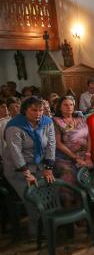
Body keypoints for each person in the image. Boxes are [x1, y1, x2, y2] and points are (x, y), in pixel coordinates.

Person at [3, 97, 56, 237]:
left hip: (38, 165)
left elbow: (51, 144)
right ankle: (36, 231)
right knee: (32, 196)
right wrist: (27, 173)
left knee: (47, 191)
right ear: (24, 110)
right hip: (17, 168)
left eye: (40, 110)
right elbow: (15, 153)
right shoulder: (15, 126)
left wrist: (48, 167)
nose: (38, 113)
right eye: (33, 110)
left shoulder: (47, 122)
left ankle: (49, 224)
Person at [53, 96, 91, 188]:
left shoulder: (80, 119)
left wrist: (88, 155)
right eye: (65, 105)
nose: (69, 107)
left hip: (83, 157)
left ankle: (83, 201)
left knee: (84, 184)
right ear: (59, 107)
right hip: (65, 159)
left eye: (71, 105)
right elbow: (58, 144)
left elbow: (89, 137)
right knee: (69, 187)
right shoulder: (56, 121)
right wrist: (75, 158)